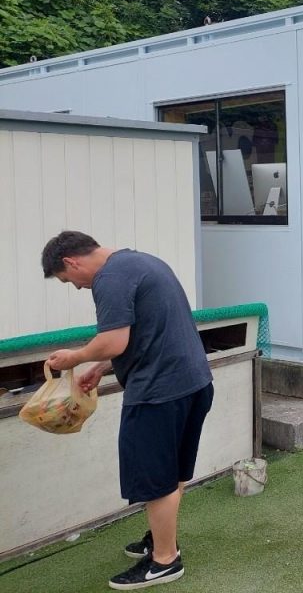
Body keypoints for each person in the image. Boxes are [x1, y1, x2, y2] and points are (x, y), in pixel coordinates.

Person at [41, 231, 213, 590]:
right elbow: (146, 332)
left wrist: (73, 358)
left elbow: (114, 340)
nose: (76, 288)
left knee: (155, 480)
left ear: (71, 261)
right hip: (194, 382)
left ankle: (165, 561)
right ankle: (160, 538)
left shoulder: (110, 278)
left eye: (67, 280)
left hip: (158, 392)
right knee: (173, 472)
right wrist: (100, 368)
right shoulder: (142, 261)